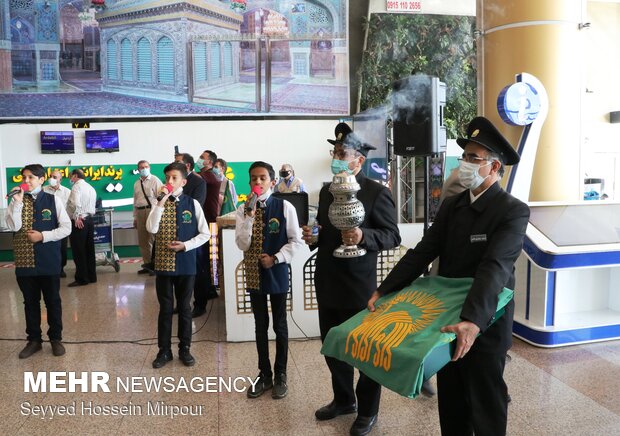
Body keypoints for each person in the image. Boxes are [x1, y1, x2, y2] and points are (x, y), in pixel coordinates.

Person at [369, 116, 530, 436]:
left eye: (474, 158)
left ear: (494, 168)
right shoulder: (453, 206)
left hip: (486, 320)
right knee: (453, 400)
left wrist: (472, 319)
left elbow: (495, 267)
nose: (465, 164)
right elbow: (422, 252)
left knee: (485, 400)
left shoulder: (512, 211)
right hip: (445, 319)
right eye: (464, 156)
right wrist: (384, 290)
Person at [301, 123, 401, 436]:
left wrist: (363, 235)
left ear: (358, 160)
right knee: (333, 347)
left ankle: (367, 410)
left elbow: (392, 235)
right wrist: (313, 236)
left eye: (342, 153)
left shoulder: (376, 192)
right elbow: (324, 231)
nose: (336, 157)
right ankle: (344, 400)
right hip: (328, 281)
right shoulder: (329, 190)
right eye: (335, 152)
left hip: (360, 288)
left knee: (365, 352)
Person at [235, 161, 304, 400]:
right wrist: (249, 218)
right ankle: (264, 374)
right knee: (260, 324)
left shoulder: (285, 207)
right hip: (254, 273)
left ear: (272, 182)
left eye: (263, 178)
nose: (258, 182)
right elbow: (242, 244)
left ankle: (281, 374)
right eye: (254, 178)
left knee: (280, 325)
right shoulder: (243, 209)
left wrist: (275, 258)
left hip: (276, 271)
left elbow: (296, 241)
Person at [146, 162, 211, 369]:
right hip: (163, 264)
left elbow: (205, 233)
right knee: (165, 308)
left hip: (186, 263)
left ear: (183, 181)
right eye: (167, 178)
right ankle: (164, 351)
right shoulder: (159, 203)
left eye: (174, 178)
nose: (169, 182)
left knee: (184, 307)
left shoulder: (192, 204)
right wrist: (160, 203)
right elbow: (151, 228)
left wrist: (186, 245)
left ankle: (185, 349)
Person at [6, 164, 71, 358]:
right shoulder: (16, 200)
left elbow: (66, 228)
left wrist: (43, 236)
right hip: (25, 261)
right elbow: (13, 226)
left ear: (41, 179)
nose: (26, 181)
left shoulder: (53, 200)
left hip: (48, 259)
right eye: (24, 178)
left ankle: (56, 339)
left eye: (31, 178)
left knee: (52, 301)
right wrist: (17, 203)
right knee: (30, 302)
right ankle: (34, 340)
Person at [192, 149, 221, 316]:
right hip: (207, 222)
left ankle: (207, 292)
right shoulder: (204, 175)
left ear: (209, 162)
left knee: (205, 260)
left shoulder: (208, 176)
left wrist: (186, 173)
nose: (199, 160)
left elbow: (194, 178)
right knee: (208, 259)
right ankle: (210, 289)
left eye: (202, 158)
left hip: (209, 223)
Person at [66, 168, 97, 287]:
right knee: (89, 249)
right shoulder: (90, 187)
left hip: (80, 221)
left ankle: (82, 278)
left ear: (75, 176)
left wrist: (77, 217)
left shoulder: (76, 187)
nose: (70, 179)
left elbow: (75, 203)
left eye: (70, 177)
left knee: (79, 250)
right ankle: (91, 276)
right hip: (89, 220)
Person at [133, 160, 163, 275]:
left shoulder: (155, 180)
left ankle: (156, 266)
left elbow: (161, 198)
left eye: (146, 166)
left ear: (149, 167)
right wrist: (135, 217)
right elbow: (134, 201)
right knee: (143, 241)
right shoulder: (136, 183)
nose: (144, 169)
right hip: (140, 212)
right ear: (138, 170)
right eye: (141, 167)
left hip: (151, 211)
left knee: (153, 239)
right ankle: (147, 264)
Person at [43, 170, 71, 278]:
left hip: (61, 224)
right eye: (50, 176)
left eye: (55, 177)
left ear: (60, 179)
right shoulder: (43, 190)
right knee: (46, 246)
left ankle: (61, 268)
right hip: (46, 223)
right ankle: (48, 268)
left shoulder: (67, 192)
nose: (52, 179)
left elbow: (71, 208)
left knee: (61, 248)